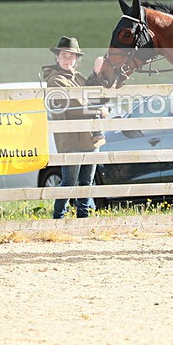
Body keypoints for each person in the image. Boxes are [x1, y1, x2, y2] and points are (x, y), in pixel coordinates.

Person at [41, 36, 108, 219]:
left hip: (88, 137)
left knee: (87, 181)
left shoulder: (78, 77)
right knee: (69, 181)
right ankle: (58, 217)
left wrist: (96, 74)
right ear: (57, 57)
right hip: (71, 139)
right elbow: (74, 106)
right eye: (64, 55)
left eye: (71, 57)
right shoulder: (55, 81)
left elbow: (93, 95)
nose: (67, 60)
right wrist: (98, 110)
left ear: (76, 59)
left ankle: (83, 217)